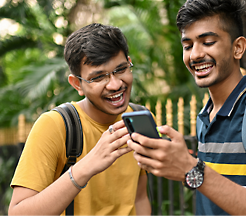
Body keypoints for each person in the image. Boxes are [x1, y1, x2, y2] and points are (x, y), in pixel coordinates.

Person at [127, 0, 246, 215]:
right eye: (188, 45)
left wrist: (191, 168)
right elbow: (215, 189)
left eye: (208, 42)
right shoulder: (206, 115)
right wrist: (181, 168)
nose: (195, 55)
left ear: (238, 47)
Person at [9, 23, 151, 216]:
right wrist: (86, 166)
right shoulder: (54, 125)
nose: (116, 84)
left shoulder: (138, 118)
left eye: (120, 70)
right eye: (99, 77)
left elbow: (139, 197)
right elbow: (18, 213)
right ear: (77, 84)